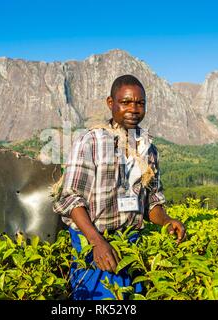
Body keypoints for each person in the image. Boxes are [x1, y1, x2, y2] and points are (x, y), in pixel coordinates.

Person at [53, 74, 186, 300]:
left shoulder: (148, 148)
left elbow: (151, 199)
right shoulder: (91, 141)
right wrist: (97, 242)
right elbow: (71, 199)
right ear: (110, 103)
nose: (133, 109)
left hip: (130, 243)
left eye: (140, 103)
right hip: (92, 241)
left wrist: (166, 221)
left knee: (128, 299)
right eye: (125, 102)